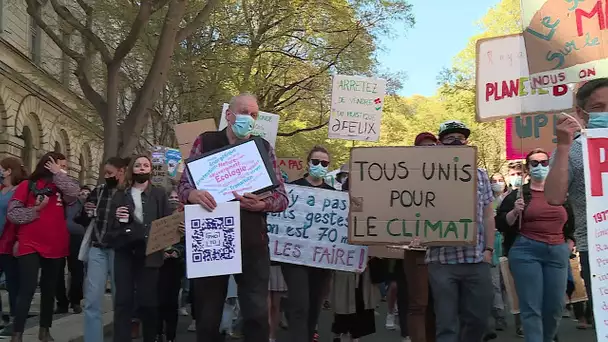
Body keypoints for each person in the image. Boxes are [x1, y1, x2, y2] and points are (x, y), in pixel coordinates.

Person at [178, 93, 288, 342]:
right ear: (229, 115)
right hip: (211, 240)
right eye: (243, 112)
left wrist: (262, 204)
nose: (248, 118)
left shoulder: (263, 148)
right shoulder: (205, 142)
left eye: (254, 114)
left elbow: (282, 197)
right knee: (208, 316)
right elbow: (183, 186)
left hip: (252, 242)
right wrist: (193, 194)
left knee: (256, 315)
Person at [545, 78, 608, 330]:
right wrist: (562, 146)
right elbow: (553, 197)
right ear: (581, 114)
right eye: (599, 107)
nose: (606, 113)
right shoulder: (572, 150)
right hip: (600, 252)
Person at [496, 148, 575, 342]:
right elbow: (501, 223)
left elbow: (571, 222)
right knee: (531, 307)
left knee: (555, 306)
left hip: (557, 251)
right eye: (534, 163)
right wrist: (515, 212)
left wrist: (570, 243)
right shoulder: (517, 195)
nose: (540, 167)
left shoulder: (561, 194)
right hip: (526, 251)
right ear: (528, 168)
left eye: (544, 162)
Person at [426, 121, 495, 342]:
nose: (456, 142)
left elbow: (488, 215)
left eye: (460, 138)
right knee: (446, 324)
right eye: (449, 138)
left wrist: (489, 250)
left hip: (476, 258)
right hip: (441, 260)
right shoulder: (425, 173)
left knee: (478, 320)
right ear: (439, 143)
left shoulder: (480, 174)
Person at [7, 152, 80, 342]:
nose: (64, 169)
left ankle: (45, 330)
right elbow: (13, 214)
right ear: (48, 164)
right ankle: (18, 333)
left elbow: (73, 194)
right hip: (29, 242)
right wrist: (35, 210)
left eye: (65, 167)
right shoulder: (27, 185)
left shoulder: (62, 186)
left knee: (49, 290)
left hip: (56, 244)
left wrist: (59, 174)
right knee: (27, 288)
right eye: (61, 165)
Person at [106, 154, 172, 342]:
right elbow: (109, 227)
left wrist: (176, 231)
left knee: (148, 303)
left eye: (145, 165)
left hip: (150, 252)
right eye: (138, 165)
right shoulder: (120, 194)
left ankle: (150, 337)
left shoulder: (159, 194)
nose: (142, 168)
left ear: (150, 170)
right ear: (131, 170)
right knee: (123, 301)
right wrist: (117, 217)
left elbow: (168, 222)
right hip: (125, 251)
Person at [281, 145, 335, 342]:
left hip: (321, 261)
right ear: (308, 163)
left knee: (314, 306)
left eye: (324, 163)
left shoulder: (334, 195)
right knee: (299, 304)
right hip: (294, 258)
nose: (320, 165)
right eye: (316, 161)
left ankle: (308, 334)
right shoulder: (293, 188)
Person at [79, 157, 129, 342]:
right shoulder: (98, 191)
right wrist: (86, 210)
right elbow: (83, 218)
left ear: (121, 172)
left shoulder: (130, 193)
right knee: (92, 300)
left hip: (119, 251)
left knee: (120, 300)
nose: (106, 176)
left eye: (109, 173)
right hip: (97, 248)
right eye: (104, 173)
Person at [402, 133, 438, 342]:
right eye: (424, 146)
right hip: (415, 250)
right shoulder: (405, 176)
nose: (429, 149)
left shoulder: (449, 177)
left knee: (439, 305)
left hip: (444, 251)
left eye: (433, 146)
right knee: (418, 303)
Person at [0, 158, 27, 336]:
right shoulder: (2, 190)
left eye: (1, 168)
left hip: (9, 241)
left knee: (13, 283)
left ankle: (16, 320)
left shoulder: (19, 190)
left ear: (9, 171)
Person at [55, 186, 90, 314]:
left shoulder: (81, 203)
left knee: (77, 270)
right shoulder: (59, 202)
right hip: (59, 237)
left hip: (77, 238)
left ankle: (75, 301)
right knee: (57, 270)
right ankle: (61, 302)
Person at [156, 189, 184, 342]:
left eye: (176, 197)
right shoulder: (159, 217)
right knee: (158, 300)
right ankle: (158, 332)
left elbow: (188, 244)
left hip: (175, 265)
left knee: (172, 302)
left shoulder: (184, 219)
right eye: (170, 197)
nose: (173, 199)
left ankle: (171, 336)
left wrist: (177, 252)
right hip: (159, 264)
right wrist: (161, 253)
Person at [485, 174, 508, 340]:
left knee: (504, 282)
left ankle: (504, 311)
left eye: (500, 180)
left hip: (506, 244)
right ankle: (498, 315)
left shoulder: (512, 197)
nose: (497, 184)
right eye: (493, 181)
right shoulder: (488, 199)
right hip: (493, 243)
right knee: (493, 283)